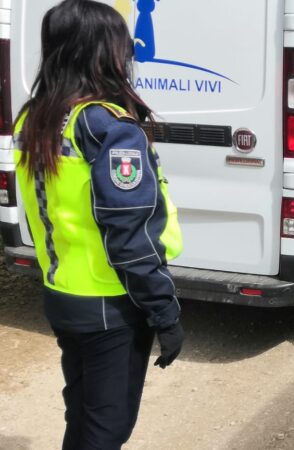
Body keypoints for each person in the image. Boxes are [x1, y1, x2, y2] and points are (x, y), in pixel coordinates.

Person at [13, 1, 184, 448]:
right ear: (104, 51)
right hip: (112, 304)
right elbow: (129, 234)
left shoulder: (35, 118)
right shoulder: (107, 125)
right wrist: (165, 313)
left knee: (84, 415)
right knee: (108, 428)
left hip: (63, 295)